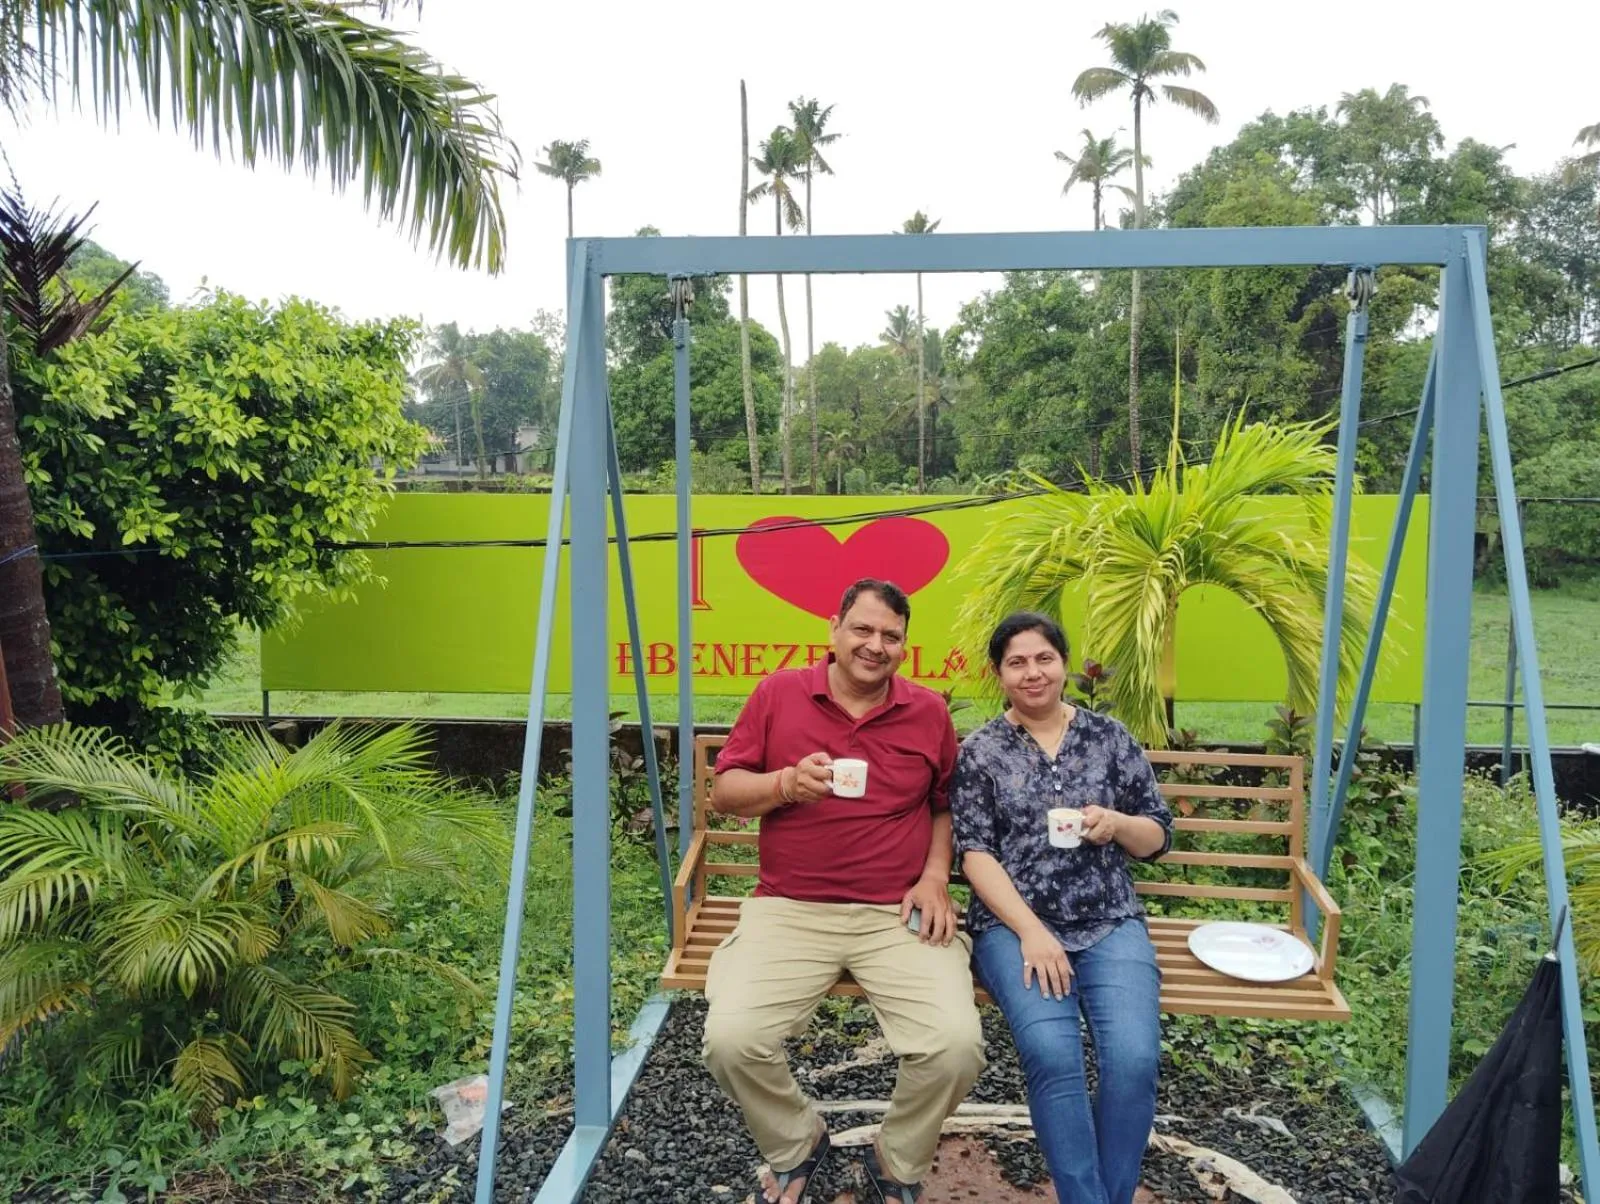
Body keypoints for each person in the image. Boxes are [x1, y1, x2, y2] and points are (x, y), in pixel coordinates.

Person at [702, 578, 985, 1204]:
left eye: (891, 636)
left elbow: (943, 805)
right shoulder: (779, 694)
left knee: (956, 1046)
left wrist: (936, 876)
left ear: (904, 647)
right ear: (834, 629)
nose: (875, 645)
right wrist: (784, 785)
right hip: (790, 906)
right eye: (863, 629)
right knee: (731, 1039)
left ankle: (897, 1158)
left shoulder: (927, 712)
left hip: (896, 909)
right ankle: (797, 1141)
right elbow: (724, 792)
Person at [950, 611, 1172, 1204]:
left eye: (1043, 658)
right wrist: (1031, 932)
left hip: (1108, 921)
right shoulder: (981, 752)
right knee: (1053, 1057)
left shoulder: (1109, 738)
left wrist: (1118, 823)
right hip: (1013, 929)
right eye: (1016, 662)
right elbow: (973, 852)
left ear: (1064, 664)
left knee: (1133, 1060)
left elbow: (1155, 837)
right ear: (999, 674)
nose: (1032, 673)